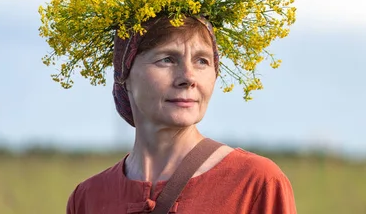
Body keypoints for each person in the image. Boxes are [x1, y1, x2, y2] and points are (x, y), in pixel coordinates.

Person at [65, 15, 298, 213]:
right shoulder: (88, 198)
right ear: (124, 75)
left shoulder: (255, 184)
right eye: (167, 59)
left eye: (202, 61)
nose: (188, 77)